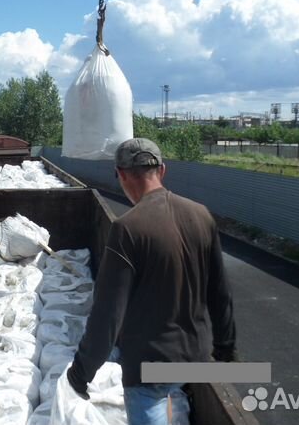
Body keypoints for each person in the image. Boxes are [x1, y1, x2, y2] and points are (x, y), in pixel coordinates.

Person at [67, 138, 237, 425]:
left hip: (151, 365)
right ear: (163, 170)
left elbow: (108, 314)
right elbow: (220, 292)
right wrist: (225, 346)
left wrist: (81, 372)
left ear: (120, 175)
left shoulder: (128, 229)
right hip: (195, 356)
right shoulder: (201, 215)